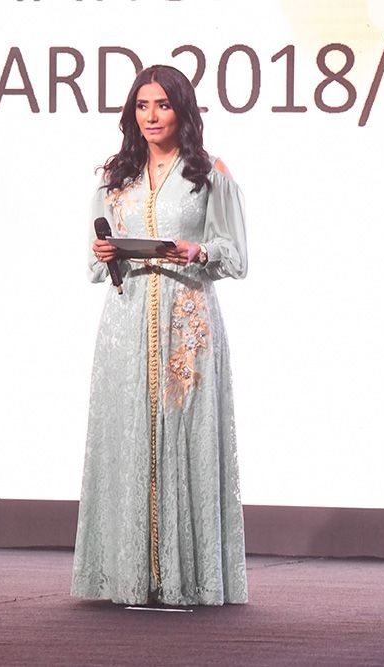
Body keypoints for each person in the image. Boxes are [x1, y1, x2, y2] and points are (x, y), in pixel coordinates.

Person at [71, 65, 248, 606]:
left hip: (185, 322)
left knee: (184, 437)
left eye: (163, 105)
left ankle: (188, 579)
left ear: (183, 111)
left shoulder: (209, 174)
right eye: (142, 106)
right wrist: (105, 253)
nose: (151, 116)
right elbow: (95, 267)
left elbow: (237, 258)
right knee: (129, 438)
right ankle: (128, 575)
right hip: (125, 324)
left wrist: (202, 251)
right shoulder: (114, 178)